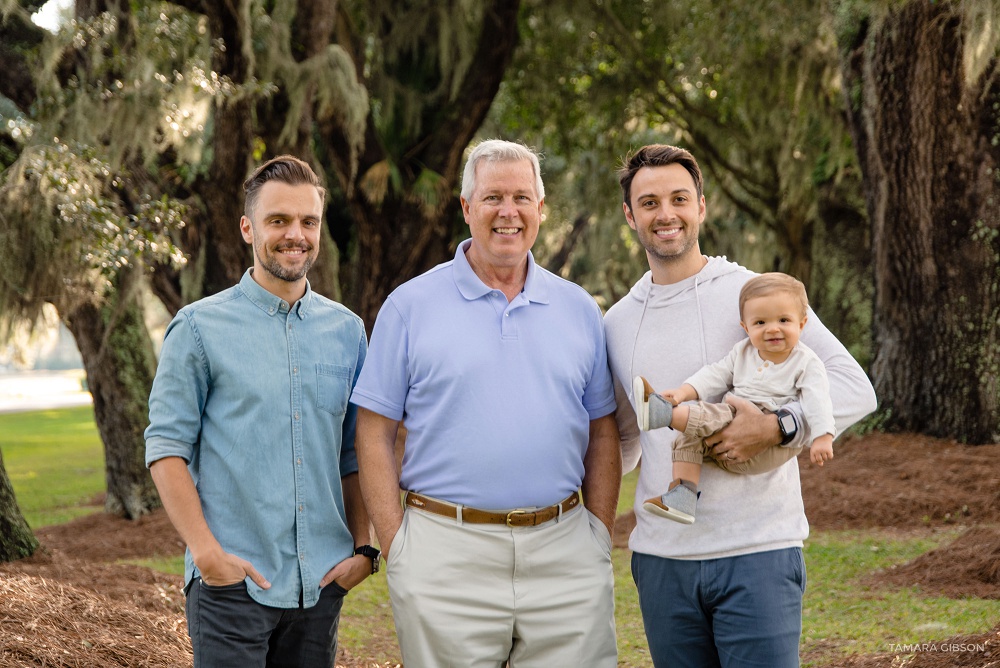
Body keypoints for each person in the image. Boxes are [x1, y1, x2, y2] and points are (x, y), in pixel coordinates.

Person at [603, 144, 877, 667]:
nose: (666, 214)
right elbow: (622, 439)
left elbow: (851, 385)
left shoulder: (754, 296)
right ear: (629, 216)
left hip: (758, 553)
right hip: (663, 562)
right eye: (650, 202)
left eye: (680, 198)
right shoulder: (615, 322)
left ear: (702, 206)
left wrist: (780, 426)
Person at [351, 139, 620, 666]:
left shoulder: (579, 309)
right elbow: (374, 431)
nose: (508, 212)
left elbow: (603, 428)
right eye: (493, 196)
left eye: (522, 197)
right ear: (466, 207)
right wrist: (396, 545)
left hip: (565, 553)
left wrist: (598, 534)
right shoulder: (409, 306)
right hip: (444, 553)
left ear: (541, 210)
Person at [145, 155, 375, 668]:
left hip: (319, 587)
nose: (295, 234)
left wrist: (364, 548)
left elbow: (355, 452)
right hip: (231, 584)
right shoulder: (200, 328)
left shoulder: (348, 332)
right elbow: (165, 448)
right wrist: (205, 552)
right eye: (279, 220)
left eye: (308, 222)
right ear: (248, 227)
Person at [633, 272, 835, 525]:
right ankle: (682, 497)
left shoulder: (806, 362)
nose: (773, 328)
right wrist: (684, 392)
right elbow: (716, 374)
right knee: (688, 438)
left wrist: (823, 436)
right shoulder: (743, 351)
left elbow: (818, 400)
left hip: (767, 445)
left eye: (784, 320)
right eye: (760, 322)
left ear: (802, 324)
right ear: (745, 327)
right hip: (732, 439)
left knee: (714, 414)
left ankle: (662, 414)